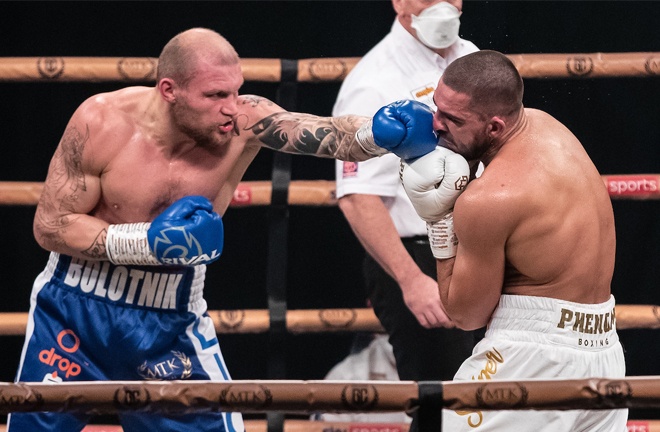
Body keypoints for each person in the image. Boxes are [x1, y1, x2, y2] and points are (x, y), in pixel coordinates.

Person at [7, 27, 435, 432]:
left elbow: (324, 133)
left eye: (235, 90)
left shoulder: (243, 122)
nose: (231, 106)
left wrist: (379, 135)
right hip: (74, 312)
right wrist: (144, 243)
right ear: (169, 90)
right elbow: (51, 226)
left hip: (169, 320)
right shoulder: (101, 122)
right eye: (215, 95)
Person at [392, 50, 627, 430]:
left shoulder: (489, 200)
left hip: (530, 357)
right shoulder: (546, 125)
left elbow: (465, 314)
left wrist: (438, 220)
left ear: (496, 127)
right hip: (604, 352)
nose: (434, 125)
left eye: (452, 119)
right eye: (436, 107)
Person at [333, 1, 478, 427]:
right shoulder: (373, 80)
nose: (442, 4)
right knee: (440, 406)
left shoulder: (471, 58)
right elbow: (358, 195)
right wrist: (412, 281)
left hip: (481, 248)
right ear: (398, 2)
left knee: (487, 402)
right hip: (419, 258)